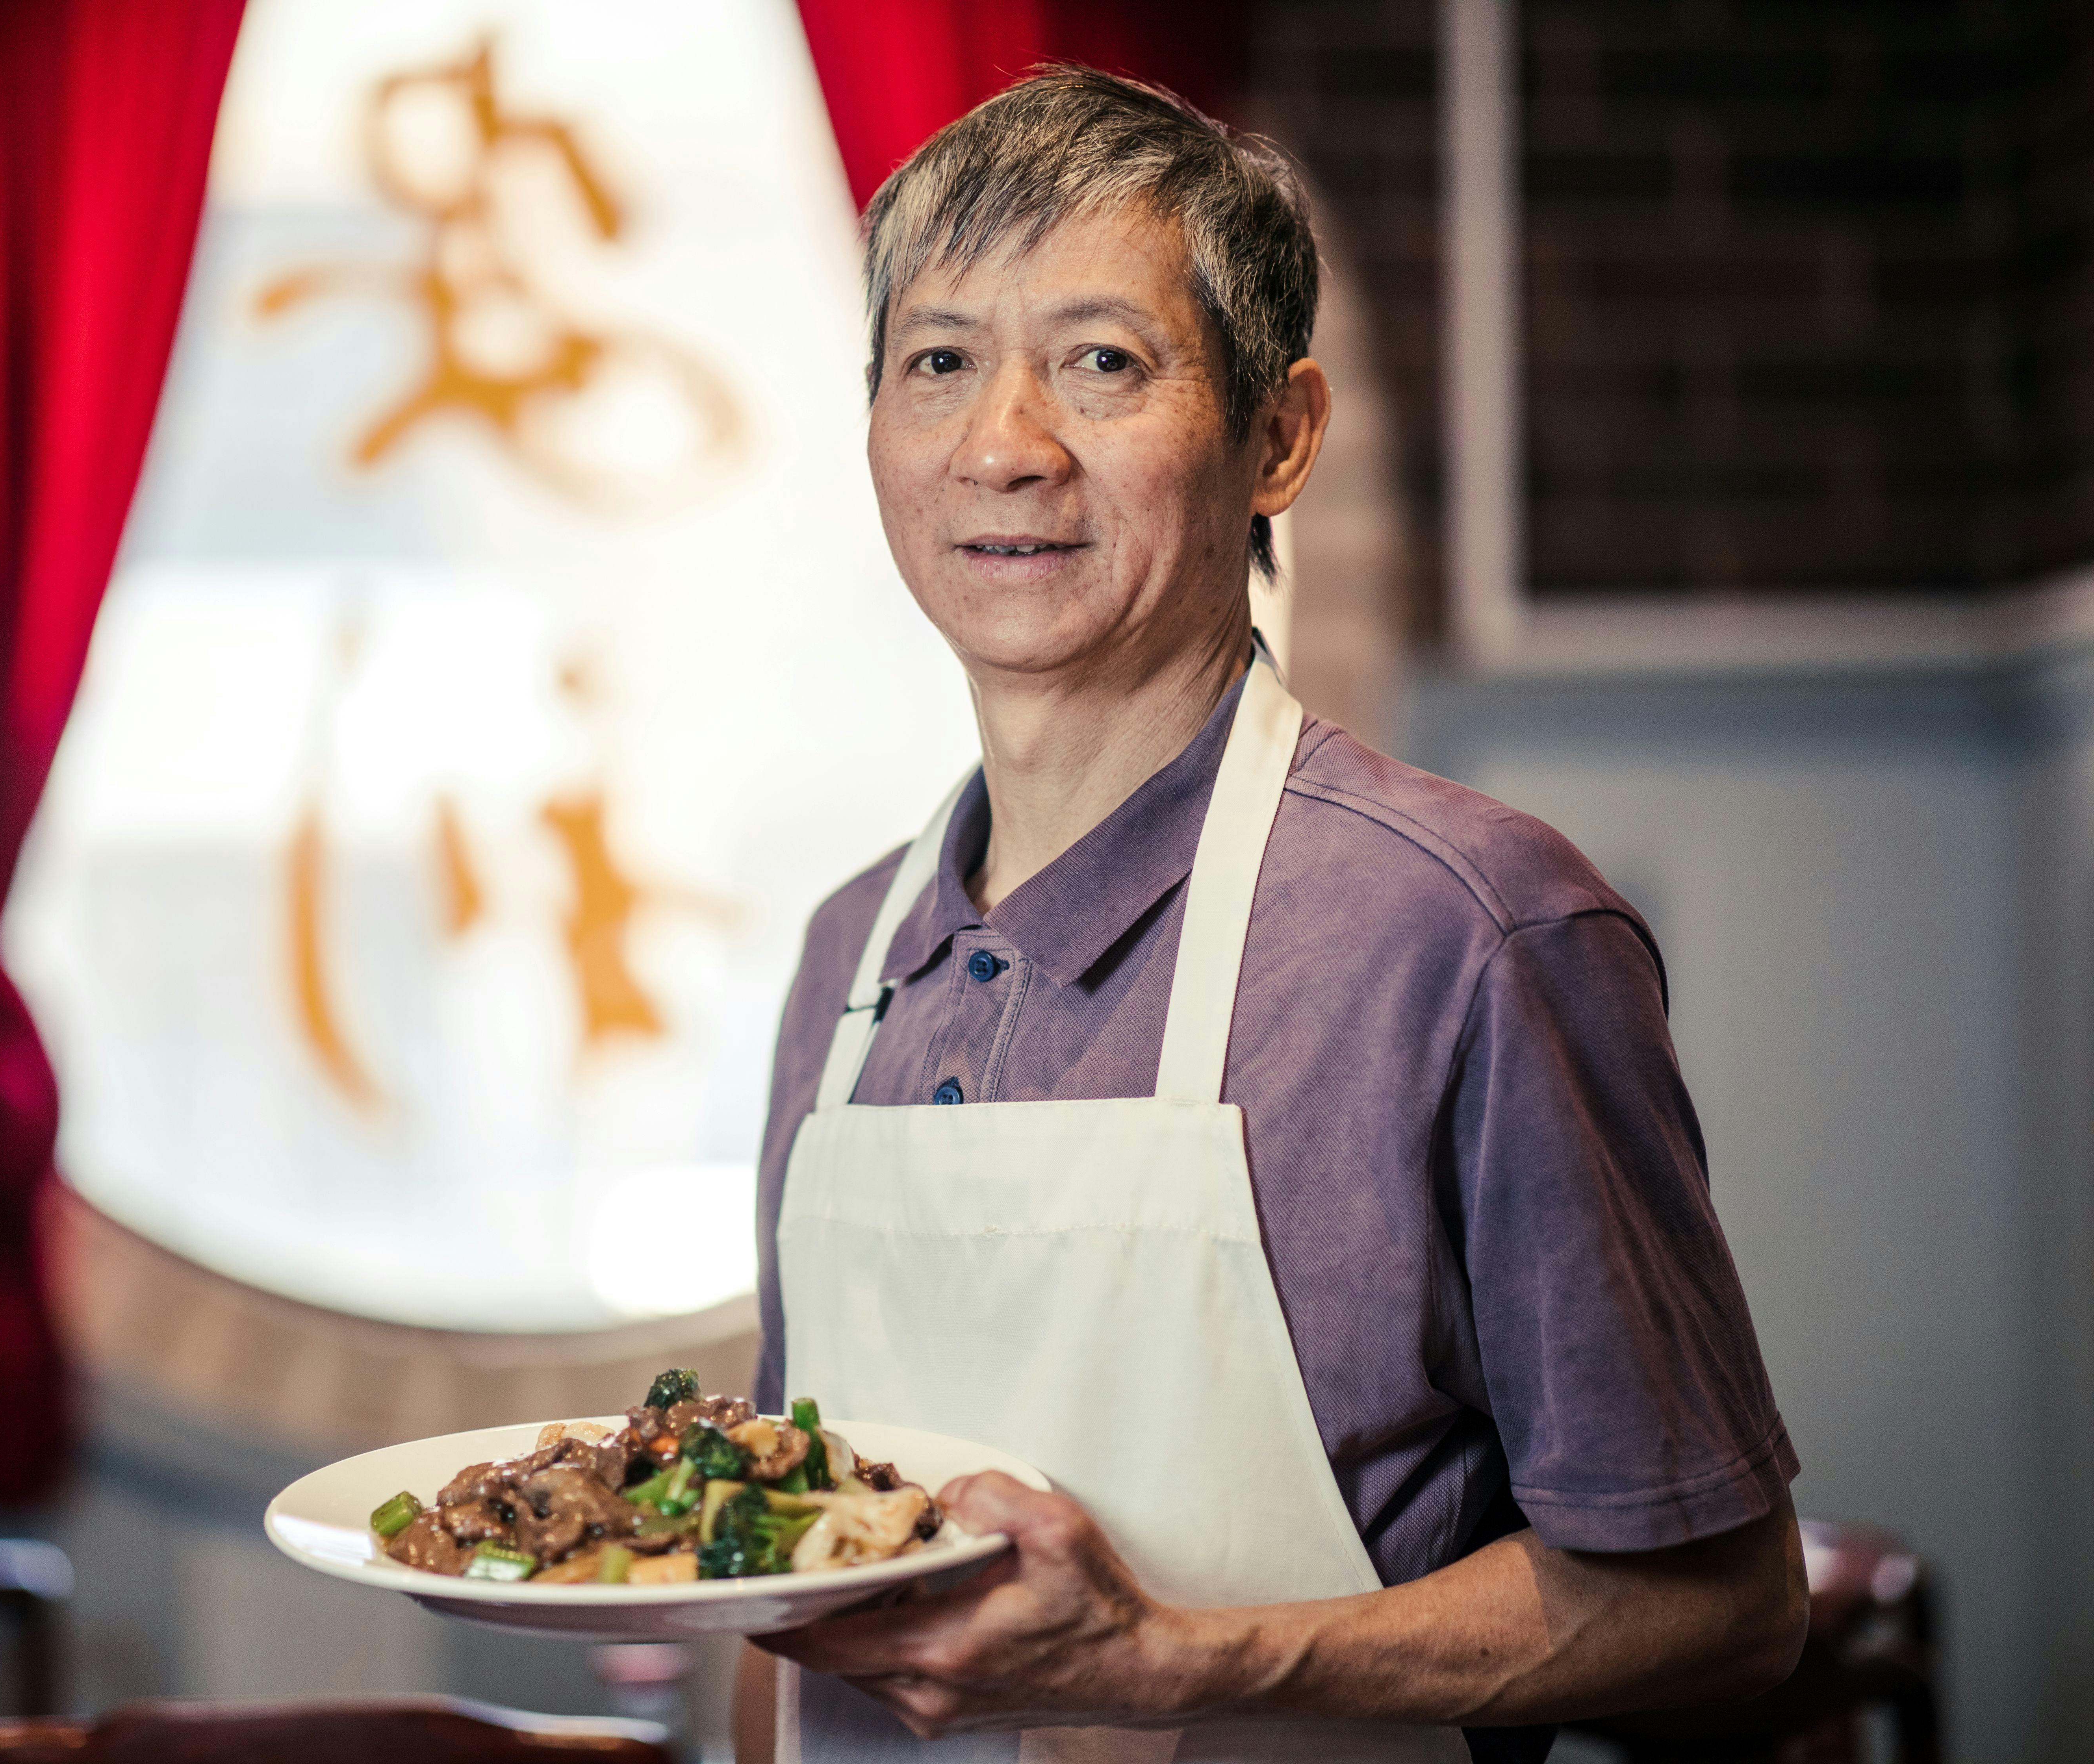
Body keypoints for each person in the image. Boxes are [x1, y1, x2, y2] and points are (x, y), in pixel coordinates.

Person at [737, 69, 1805, 1764]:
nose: (1005, 444)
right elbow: (784, 1584)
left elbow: (1726, 1608)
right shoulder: (845, 961)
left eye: (1102, 360)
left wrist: (1176, 1661)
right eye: (939, 361)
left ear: (1280, 435)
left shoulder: (1468, 932)